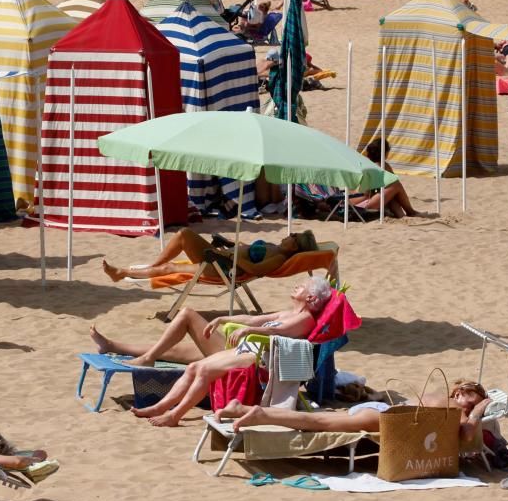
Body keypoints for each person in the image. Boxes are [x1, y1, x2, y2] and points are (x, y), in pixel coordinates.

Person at [91, 277, 333, 426]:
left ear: (310, 297)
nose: (296, 285)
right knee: (195, 366)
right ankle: (160, 407)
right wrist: (223, 319)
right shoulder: (288, 312)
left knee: (204, 368)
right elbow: (253, 317)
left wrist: (248, 331)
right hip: (246, 349)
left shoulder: (304, 320)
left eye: (301, 286)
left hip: (258, 358)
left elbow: (274, 333)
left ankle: (175, 416)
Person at [215, 379, 490, 442]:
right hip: (382, 418)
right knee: (317, 423)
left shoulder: (438, 396)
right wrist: (479, 410)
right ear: (460, 393)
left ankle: (241, 409)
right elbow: (465, 435)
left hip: (379, 410)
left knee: (317, 419)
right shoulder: (456, 407)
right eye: (470, 398)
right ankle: (259, 414)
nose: (469, 404)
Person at [102, 228, 319, 283]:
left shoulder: (279, 258)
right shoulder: (276, 247)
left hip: (225, 268)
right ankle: (151, 265)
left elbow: (254, 270)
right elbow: (247, 250)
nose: (289, 235)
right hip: (222, 257)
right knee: (184, 234)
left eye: (293, 236)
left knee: (171, 269)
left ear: (294, 247)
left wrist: (227, 255)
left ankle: (121, 273)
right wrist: (230, 245)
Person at [354, 139, 418, 217]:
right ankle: (410, 212)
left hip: (355, 202)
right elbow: (366, 193)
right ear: (385, 153)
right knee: (396, 186)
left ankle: (402, 215)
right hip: (360, 206)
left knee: (391, 192)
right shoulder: (379, 166)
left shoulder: (365, 164)